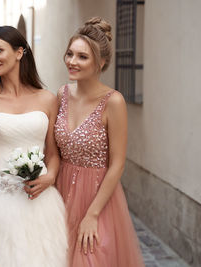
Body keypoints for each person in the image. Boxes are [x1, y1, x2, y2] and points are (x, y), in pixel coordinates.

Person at [0, 26, 68, 267]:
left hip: (40, 203)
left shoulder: (47, 99)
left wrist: (51, 177)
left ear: (19, 52)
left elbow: (52, 154)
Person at [54, 17, 144, 267]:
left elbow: (117, 165)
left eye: (82, 57)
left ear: (101, 62)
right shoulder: (61, 94)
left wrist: (92, 214)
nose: (72, 61)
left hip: (97, 197)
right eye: (70, 54)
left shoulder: (113, 102)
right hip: (60, 194)